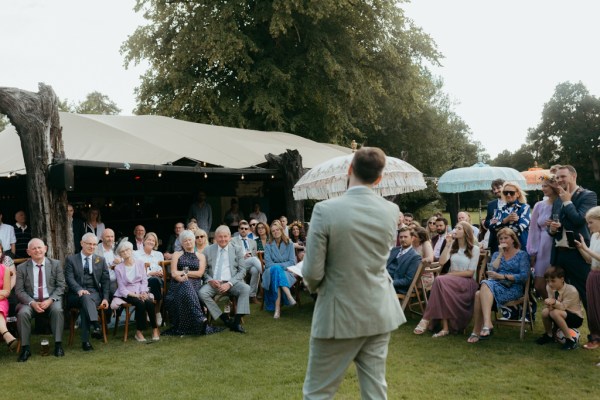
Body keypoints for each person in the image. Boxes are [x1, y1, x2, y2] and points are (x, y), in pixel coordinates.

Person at [302, 147, 404, 400]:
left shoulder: (325, 210)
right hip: (379, 308)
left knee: (318, 392)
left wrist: (314, 286)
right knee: (375, 390)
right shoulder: (390, 211)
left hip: (339, 312)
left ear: (349, 170)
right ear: (379, 178)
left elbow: (312, 270)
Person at [414, 222, 480, 337]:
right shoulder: (453, 246)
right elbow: (442, 262)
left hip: (467, 282)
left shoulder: (475, 249)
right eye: (455, 227)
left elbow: (470, 273)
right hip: (450, 281)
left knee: (440, 280)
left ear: (466, 232)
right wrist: (448, 244)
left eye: (459, 228)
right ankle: (444, 328)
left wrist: (451, 274)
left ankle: (426, 318)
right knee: (440, 282)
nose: (455, 230)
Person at [469, 228, 530, 343]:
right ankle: (486, 325)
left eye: (506, 238)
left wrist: (503, 277)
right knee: (480, 291)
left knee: (479, 292)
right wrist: (501, 254)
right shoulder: (497, 253)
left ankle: (479, 329)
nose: (503, 240)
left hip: (513, 288)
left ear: (513, 240)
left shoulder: (522, 255)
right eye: (501, 239)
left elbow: (524, 277)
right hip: (495, 284)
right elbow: (492, 269)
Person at [548, 165, 597, 308]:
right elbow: (553, 222)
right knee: (560, 294)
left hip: (577, 253)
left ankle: (595, 329)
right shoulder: (557, 199)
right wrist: (551, 229)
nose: (559, 180)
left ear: (573, 176)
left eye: (563, 176)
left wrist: (568, 201)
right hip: (558, 254)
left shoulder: (588, 195)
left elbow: (579, 220)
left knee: (585, 293)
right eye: (557, 177)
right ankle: (564, 330)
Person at [163, 230, 223, 336]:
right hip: (177, 284)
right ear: (182, 243)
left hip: (195, 285)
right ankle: (201, 318)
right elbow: (173, 272)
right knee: (185, 283)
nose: (188, 242)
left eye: (190, 240)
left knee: (187, 284)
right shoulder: (177, 254)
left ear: (194, 240)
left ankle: (200, 320)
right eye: (185, 241)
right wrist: (181, 278)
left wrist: (183, 272)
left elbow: (199, 274)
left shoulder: (200, 256)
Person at [15, 238, 66, 361]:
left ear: (45, 249)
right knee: (22, 313)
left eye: (40, 247)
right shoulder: (22, 268)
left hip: (50, 300)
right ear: (28, 252)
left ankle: (58, 345)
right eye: (34, 248)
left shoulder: (55, 264)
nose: (37, 250)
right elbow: (19, 290)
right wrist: (32, 303)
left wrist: (50, 300)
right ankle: (25, 349)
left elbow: (61, 286)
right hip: (30, 301)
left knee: (58, 311)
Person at [65, 233, 110, 351]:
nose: (92, 246)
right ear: (82, 243)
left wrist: (105, 298)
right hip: (75, 294)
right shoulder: (71, 259)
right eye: (89, 244)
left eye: (94, 244)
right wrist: (79, 289)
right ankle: (95, 325)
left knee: (86, 301)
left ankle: (87, 341)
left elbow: (106, 281)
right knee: (85, 299)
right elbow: (69, 278)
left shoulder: (101, 260)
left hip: (94, 294)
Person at [200, 225, 250, 333]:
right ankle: (225, 319)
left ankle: (236, 323)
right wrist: (210, 280)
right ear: (216, 238)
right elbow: (203, 271)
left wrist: (230, 283)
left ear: (230, 237)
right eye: (220, 237)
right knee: (202, 293)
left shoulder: (237, 249)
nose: (223, 239)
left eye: (225, 236)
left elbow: (242, 271)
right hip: (214, 283)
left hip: (232, 282)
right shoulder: (208, 250)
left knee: (245, 288)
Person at [111, 241, 160, 342]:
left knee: (149, 302)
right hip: (126, 293)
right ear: (120, 254)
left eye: (127, 250)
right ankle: (139, 332)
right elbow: (121, 288)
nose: (125, 253)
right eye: (122, 251)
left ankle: (155, 329)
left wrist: (143, 292)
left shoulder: (140, 263)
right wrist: (136, 295)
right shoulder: (118, 268)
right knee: (140, 303)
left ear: (131, 250)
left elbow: (144, 280)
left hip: (140, 290)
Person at [526, 174, 559, 299]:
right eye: (542, 186)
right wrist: (533, 251)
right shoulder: (539, 205)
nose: (543, 188)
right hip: (542, 245)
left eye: (546, 186)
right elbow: (533, 230)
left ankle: (557, 309)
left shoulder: (561, 203)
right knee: (539, 285)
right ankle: (550, 304)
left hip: (556, 244)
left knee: (555, 282)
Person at [535, 266, 583, 350]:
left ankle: (570, 340)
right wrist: (549, 306)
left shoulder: (571, 290)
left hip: (575, 317)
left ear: (562, 279)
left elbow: (563, 307)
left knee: (554, 313)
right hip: (559, 313)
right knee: (545, 312)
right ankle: (549, 335)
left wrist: (553, 302)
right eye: (548, 281)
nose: (550, 284)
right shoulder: (549, 287)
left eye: (553, 281)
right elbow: (551, 306)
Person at [574, 205, 600, 349]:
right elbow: (589, 260)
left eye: (591, 222)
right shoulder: (595, 236)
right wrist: (581, 248)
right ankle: (596, 339)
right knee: (594, 312)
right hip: (593, 276)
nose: (588, 225)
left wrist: (586, 249)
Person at [262, 221, 297, 318]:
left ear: (281, 230)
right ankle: (289, 296)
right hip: (270, 272)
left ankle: (277, 309)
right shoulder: (268, 245)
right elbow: (268, 264)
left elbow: (292, 262)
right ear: (271, 233)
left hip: (286, 271)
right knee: (276, 270)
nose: (275, 232)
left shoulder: (289, 243)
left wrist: (278, 266)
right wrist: (279, 266)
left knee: (277, 273)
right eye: (273, 231)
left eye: (277, 230)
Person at [489, 182, 531, 250]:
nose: (508, 195)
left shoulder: (524, 207)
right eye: (506, 192)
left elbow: (520, 227)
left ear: (518, 194)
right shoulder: (499, 209)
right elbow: (491, 228)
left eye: (511, 193)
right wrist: (506, 220)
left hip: (520, 245)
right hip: (503, 247)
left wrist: (500, 227)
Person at [134, 232, 165, 326]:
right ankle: (154, 312)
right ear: (144, 240)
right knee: (154, 280)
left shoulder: (159, 254)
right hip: (142, 280)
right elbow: (134, 270)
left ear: (155, 243)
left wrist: (160, 272)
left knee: (156, 281)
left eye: (153, 240)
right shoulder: (136, 254)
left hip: (157, 279)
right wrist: (150, 273)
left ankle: (156, 312)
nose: (151, 242)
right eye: (149, 239)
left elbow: (161, 269)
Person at [231, 221, 262, 304]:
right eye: (242, 228)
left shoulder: (253, 242)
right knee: (254, 260)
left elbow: (255, 255)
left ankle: (252, 296)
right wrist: (243, 256)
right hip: (239, 263)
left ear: (248, 230)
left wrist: (250, 256)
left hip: (249, 263)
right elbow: (232, 255)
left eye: (246, 229)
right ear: (238, 229)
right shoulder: (233, 240)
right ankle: (265, 273)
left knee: (255, 270)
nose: (244, 230)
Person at [387, 227, 422, 294]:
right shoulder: (394, 250)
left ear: (412, 238)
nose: (403, 239)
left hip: (397, 287)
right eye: (401, 237)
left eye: (405, 237)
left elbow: (408, 280)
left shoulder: (415, 257)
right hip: (384, 279)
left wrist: (390, 282)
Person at [482, 179, 506, 254]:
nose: (495, 191)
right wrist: (491, 221)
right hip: (494, 241)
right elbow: (486, 222)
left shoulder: (512, 202)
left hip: (509, 238)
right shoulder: (491, 204)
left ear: (505, 187)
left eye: (498, 188)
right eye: (494, 189)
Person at [1, 252, 17, 353]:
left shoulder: (4, 268)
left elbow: (6, 291)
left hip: (1, 300)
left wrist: (3, 292)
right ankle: (6, 334)